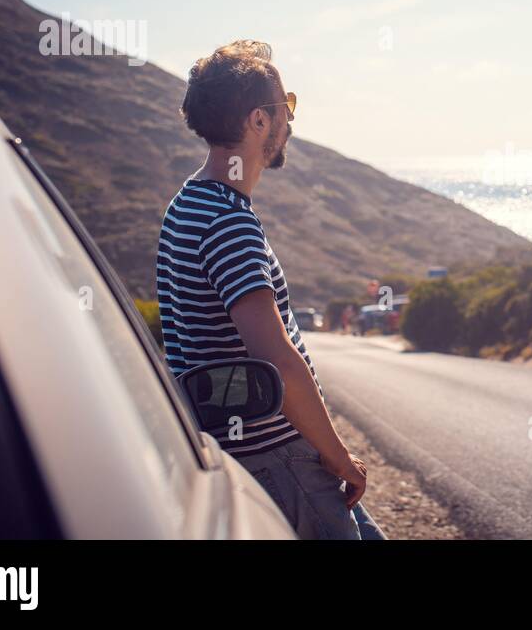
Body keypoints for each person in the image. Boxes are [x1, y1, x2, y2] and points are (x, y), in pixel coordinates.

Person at [155, 40, 385, 539]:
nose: (291, 123)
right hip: (278, 457)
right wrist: (337, 454)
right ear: (259, 121)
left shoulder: (188, 204)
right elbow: (278, 359)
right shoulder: (227, 222)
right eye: (288, 108)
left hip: (253, 450)